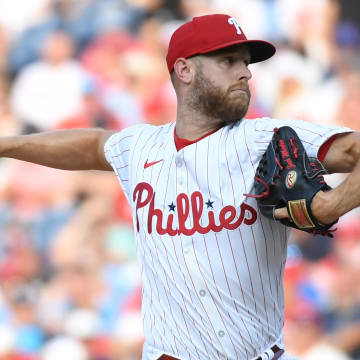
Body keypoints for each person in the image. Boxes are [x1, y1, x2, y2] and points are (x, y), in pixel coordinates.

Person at [1, 13, 360, 360]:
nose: (245, 73)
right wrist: (8, 145)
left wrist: (334, 204)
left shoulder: (264, 138)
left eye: (246, 63)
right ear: (184, 69)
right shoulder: (140, 148)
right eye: (229, 60)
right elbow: (92, 146)